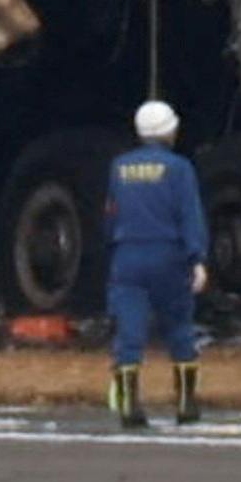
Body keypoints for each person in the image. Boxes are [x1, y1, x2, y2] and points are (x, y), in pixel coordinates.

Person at [101, 98, 210, 430]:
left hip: (128, 256)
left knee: (129, 332)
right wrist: (198, 258)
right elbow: (190, 214)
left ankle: (130, 404)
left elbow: (110, 214)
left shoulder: (119, 167)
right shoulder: (179, 168)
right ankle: (186, 403)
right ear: (170, 130)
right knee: (179, 328)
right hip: (169, 255)